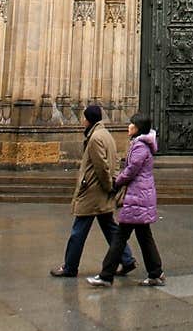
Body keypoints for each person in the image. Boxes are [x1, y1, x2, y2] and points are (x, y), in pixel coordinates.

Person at [49, 103, 136, 278]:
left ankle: (70, 267)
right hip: (101, 192)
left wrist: (108, 186)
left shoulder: (95, 138)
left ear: (89, 119)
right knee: (110, 227)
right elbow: (115, 161)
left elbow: (101, 167)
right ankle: (127, 259)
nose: (82, 121)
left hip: (93, 192)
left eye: (84, 118)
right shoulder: (107, 135)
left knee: (78, 231)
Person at [87, 114, 165, 287]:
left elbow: (131, 170)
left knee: (121, 236)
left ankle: (106, 275)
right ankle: (156, 273)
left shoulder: (140, 147)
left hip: (137, 197)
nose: (128, 126)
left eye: (131, 124)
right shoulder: (142, 144)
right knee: (144, 236)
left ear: (137, 127)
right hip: (141, 196)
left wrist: (117, 181)